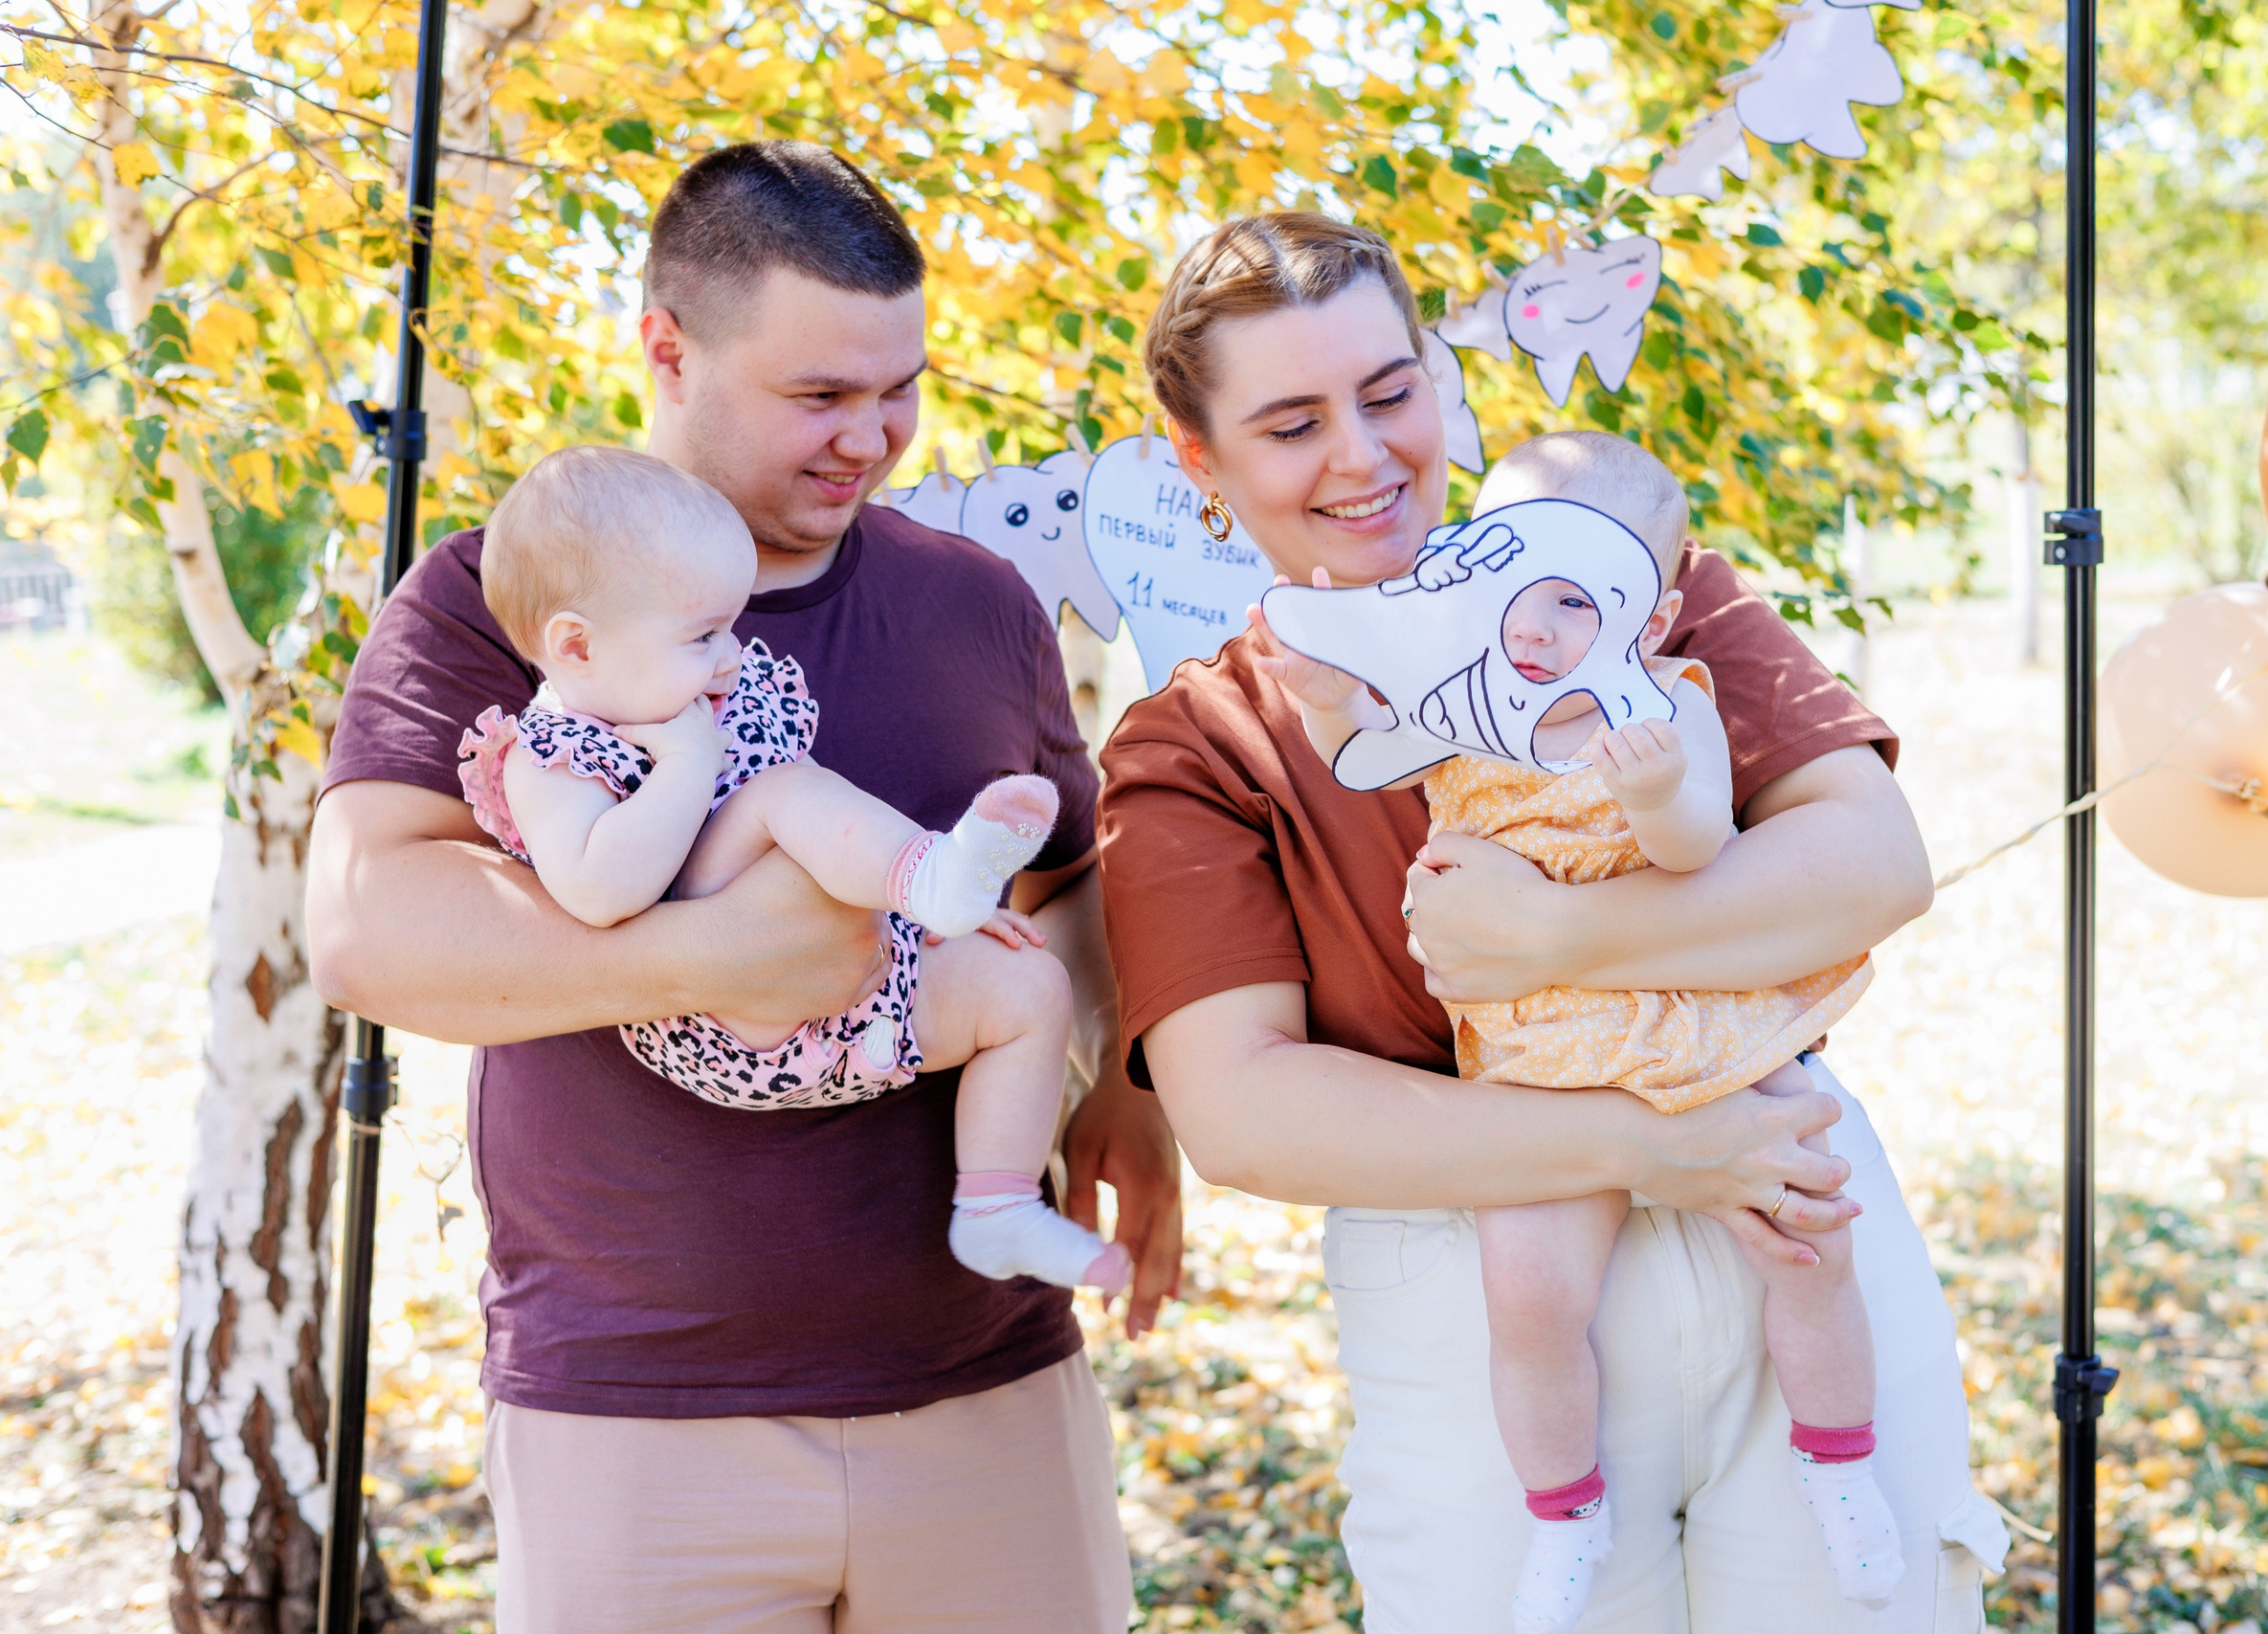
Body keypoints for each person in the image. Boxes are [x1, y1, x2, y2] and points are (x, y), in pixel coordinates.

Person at [305, 142, 1179, 1633]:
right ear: (666, 347)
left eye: (900, 387)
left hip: (988, 1379)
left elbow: (1072, 883)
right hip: (635, 1407)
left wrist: (1127, 1083)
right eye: (820, 398)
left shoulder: (977, 600)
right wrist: (721, 955)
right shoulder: (503, 600)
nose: (875, 438)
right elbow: (366, 926)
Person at [1095, 213, 2008, 1630]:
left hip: (1789, 1208)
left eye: (1391, 390)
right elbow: (1248, 1114)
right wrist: (1653, 1145)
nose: (1361, 453)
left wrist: (1564, 940)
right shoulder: (1197, 745)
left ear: (1443, 386)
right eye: (1290, 422)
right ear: (1199, 463)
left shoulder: (1624, 573)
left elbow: (1871, 864)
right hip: (1490, 1281)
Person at [1261, 432, 1894, 1632]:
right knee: (1531, 1293)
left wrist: (1654, 783)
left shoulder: (1667, 707)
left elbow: (1696, 842)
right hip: (1542, 1064)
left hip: (1690, 1026)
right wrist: (1330, 696)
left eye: (1570, 599)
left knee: (1808, 1232)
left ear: (1646, 619)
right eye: (1509, 590)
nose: (1533, 627)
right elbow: (1359, 755)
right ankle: (1564, 1511)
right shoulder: (1462, 711)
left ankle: (1838, 1459)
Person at [456, 444, 1129, 1292]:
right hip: (711, 1022)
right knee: (783, 792)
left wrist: (926, 924)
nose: (731, 655)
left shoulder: (697, 695)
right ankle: (930, 873)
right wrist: (687, 764)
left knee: (1028, 988)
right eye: (702, 636)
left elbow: (813, 867)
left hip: (846, 1005)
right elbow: (601, 893)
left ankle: (996, 1208)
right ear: (577, 647)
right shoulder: (551, 755)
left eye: (729, 628)